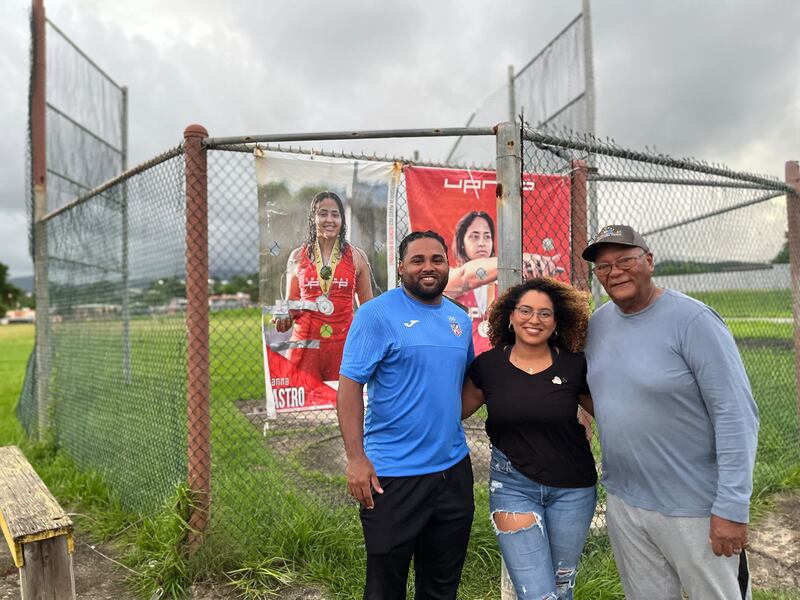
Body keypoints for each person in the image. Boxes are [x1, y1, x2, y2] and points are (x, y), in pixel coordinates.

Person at [582, 224, 759, 600]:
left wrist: (731, 506)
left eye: (625, 260)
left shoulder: (693, 321)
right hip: (626, 500)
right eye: (603, 267)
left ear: (648, 261)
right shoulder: (599, 324)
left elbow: (735, 414)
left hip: (694, 505)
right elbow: (604, 395)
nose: (614, 272)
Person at [337, 230, 475, 600]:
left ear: (449, 264)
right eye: (418, 260)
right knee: (385, 588)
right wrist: (356, 459)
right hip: (393, 477)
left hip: (452, 474)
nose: (428, 267)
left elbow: (467, 386)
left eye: (437, 259)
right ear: (401, 267)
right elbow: (349, 388)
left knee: (442, 586)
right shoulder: (376, 314)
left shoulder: (460, 320)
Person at [462, 278, 597, 600]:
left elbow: (612, 415)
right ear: (509, 316)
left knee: (562, 588)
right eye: (525, 311)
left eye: (544, 314)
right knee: (537, 593)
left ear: (556, 322)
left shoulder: (574, 366)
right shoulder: (489, 366)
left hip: (574, 490)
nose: (534, 320)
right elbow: (452, 412)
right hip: (513, 488)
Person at [274, 191, 373, 381]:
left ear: (342, 220)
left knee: (342, 407)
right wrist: (282, 314)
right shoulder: (296, 256)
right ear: (313, 218)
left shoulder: (358, 257)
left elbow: (367, 307)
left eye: (335, 214)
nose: (329, 219)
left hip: (343, 346)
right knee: (303, 409)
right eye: (323, 213)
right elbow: (290, 302)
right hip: (305, 346)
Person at [445, 210, 561, 354]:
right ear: (462, 243)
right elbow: (466, 275)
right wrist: (520, 259)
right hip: (464, 360)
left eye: (487, 237)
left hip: (499, 361)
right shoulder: (450, 276)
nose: (481, 243)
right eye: (474, 237)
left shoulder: (510, 280)